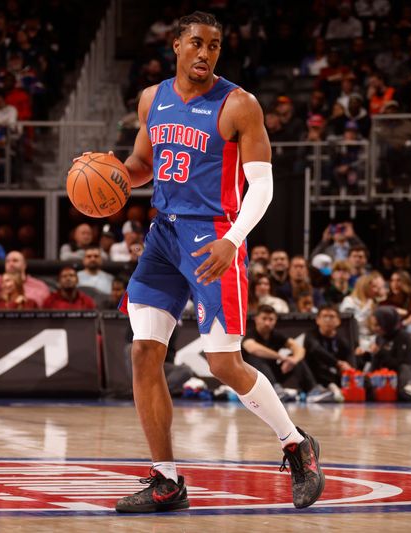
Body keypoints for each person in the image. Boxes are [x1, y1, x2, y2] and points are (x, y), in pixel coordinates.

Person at [100, 12, 324, 514]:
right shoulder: (150, 100)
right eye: (196, 43)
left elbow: (262, 185)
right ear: (175, 45)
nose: (205, 53)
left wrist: (234, 240)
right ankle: (166, 480)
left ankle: (296, 444)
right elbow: (142, 165)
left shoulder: (238, 105)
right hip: (162, 235)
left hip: (213, 237)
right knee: (143, 354)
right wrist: (111, 174)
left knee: (223, 361)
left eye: (215, 46)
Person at [242, 305, 336, 403]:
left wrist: (293, 360)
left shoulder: (276, 335)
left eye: (271, 319)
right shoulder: (250, 334)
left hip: (273, 373)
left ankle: (312, 391)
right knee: (257, 357)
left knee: (294, 358)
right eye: (264, 318)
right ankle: (274, 390)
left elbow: (299, 348)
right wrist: (281, 357)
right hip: (252, 378)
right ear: (256, 319)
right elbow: (253, 348)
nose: (267, 323)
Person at [303, 304, 353, 395]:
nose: (328, 320)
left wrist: (347, 368)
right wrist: (337, 363)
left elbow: (349, 362)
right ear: (317, 320)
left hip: (334, 376)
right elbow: (316, 349)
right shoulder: (310, 336)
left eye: (332, 316)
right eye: (324, 316)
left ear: (338, 321)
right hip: (315, 376)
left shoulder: (343, 341)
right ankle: (315, 390)